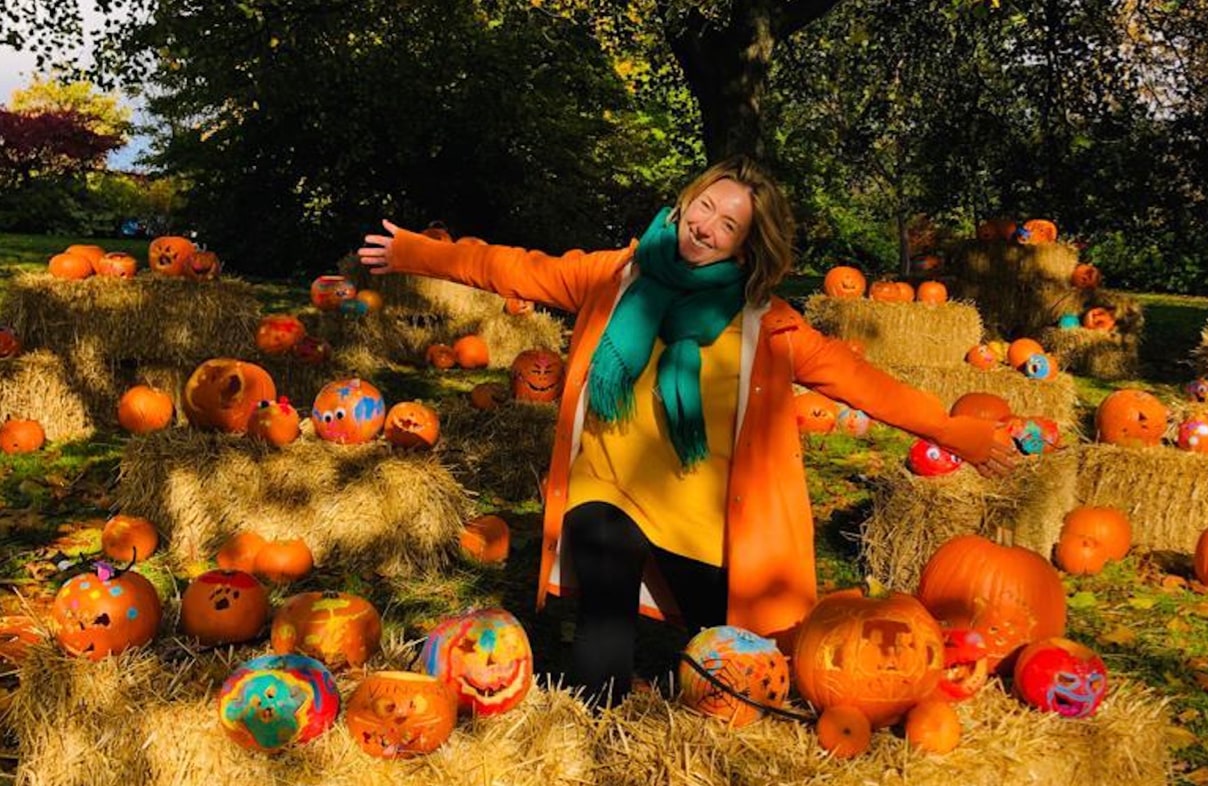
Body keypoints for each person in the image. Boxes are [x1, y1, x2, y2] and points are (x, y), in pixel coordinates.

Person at [358, 155, 1015, 706]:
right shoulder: (615, 277)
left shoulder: (770, 324)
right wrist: (420, 252)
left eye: (728, 224)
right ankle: (598, 718)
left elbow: (861, 383)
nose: (706, 227)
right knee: (600, 644)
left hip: (706, 516)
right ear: (685, 200)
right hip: (607, 489)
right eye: (705, 207)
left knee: (742, 670)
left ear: (746, 244)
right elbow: (517, 267)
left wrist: (959, 433)